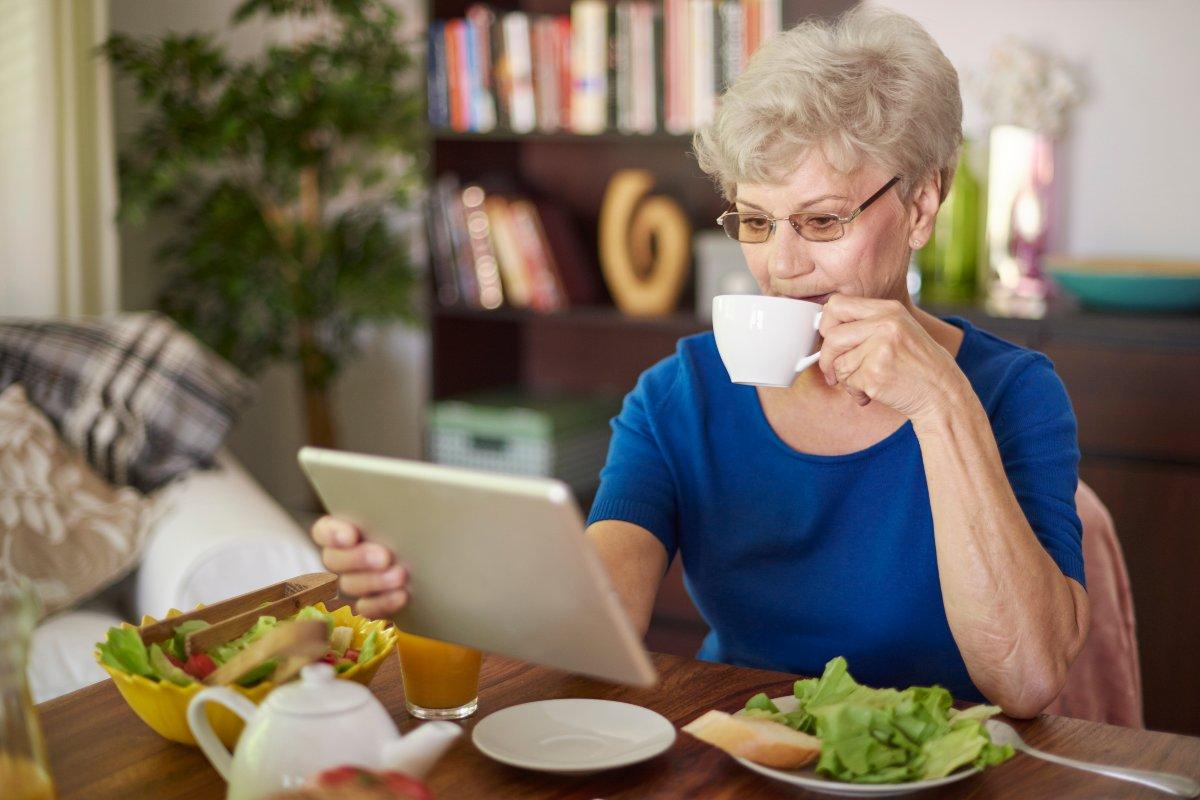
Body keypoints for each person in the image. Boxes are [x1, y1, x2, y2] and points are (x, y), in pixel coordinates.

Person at [312, 6, 1088, 718]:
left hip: (941, 772)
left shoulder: (1014, 393)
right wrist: (434, 583)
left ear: (920, 205)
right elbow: (599, 618)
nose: (782, 266)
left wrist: (940, 404)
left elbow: (1026, 680)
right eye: (755, 220)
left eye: (821, 220)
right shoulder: (679, 396)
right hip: (743, 755)